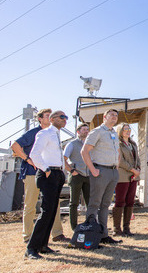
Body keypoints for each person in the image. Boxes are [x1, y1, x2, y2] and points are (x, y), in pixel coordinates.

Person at [11, 108, 67, 244]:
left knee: (53, 205)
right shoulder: (34, 133)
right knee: (30, 205)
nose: (49, 118)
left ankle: (57, 234)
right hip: (32, 172)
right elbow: (15, 145)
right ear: (40, 119)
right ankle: (28, 236)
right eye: (47, 116)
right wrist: (27, 159)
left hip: (50, 174)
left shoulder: (55, 134)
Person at [25, 110, 68, 259]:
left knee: (51, 211)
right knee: (46, 211)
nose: (65, 120)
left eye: (66, 118)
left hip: (57, 174)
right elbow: (34, 154)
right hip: (47, 174)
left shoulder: (56, 135)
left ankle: (43, 245)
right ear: (53, 119)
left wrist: (61, 172)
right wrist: (46, 169)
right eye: (62, 117)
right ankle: (31, 248)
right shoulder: (45, 133)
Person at [81, 109, 122, 244]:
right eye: (111, 115)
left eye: (116, 115)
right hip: (100, 171)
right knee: (94, 203)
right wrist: (92, 169)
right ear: (105, 117)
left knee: (106, 204)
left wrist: (116, 167)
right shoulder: (97, 131)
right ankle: (90, 236)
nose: (114, 117)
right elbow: (85, 151)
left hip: (112, 172)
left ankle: (104, 235)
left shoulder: (114, 133)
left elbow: (117, 151)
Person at [113, 123, 141, 237]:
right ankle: (116, 229)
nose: (128, 131)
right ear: (120, 131)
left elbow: (137, 158)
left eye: (129, 129)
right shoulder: (118, 144)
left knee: (130, 201)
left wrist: (138, 169)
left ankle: (126, 227)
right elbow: (121, 161)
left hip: (133, 177)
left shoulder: (133, 144)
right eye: (125, 129)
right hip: (123, 176)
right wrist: (133, 169)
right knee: (120, 201)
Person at [64, 123, 91, 231]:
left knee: (90, 202)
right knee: (74, 203)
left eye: (87, 130)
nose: (86, 131)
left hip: (88, 175)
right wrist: (71, 170)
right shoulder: (72, 144)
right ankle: (74, 227)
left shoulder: (90, 145)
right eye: (84, 129)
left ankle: (90, 224)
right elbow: (63, 158)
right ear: (78, 132)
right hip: (76, 176)